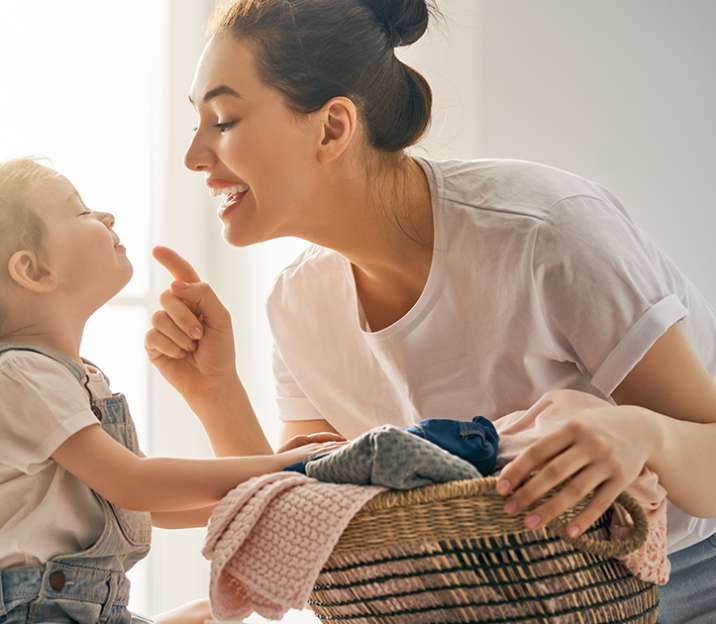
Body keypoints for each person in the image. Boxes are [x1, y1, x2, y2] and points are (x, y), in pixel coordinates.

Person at [145, 1, 716, 621]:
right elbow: (310, 518)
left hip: (680, 569)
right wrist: (215, 389)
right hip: (496, 595)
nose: (194, 156)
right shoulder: (299, 302)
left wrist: (645, 434)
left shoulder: (545, 232)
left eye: (223, 120)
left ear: (333, 127)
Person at [0, 158, 342, 624]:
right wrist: (281, 465)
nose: (106, 216)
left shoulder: (70, 377)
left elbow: (139, 504)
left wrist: (267, 491)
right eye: (81, 210)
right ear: (32, 270)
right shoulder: (17, 375)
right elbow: (133, 482)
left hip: (70, 608)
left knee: (205, 615)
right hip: (26, 614)